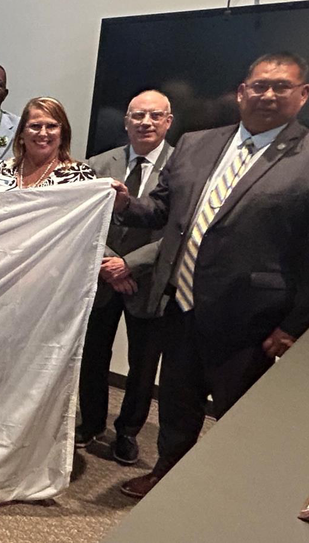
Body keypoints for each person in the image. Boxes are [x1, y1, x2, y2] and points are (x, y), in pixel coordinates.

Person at [112, 53, 309, 498]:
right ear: (241, 92)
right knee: (176, 405)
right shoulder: (195, 143)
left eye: (281, 86)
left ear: (303, 95)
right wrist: (125, 204)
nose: (268, 94)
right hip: (180, 308)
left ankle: (229, 497)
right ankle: (166, 478)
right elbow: (163, 210)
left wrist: (294, 326)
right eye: (260, 85)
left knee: (241, 419)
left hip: (253, 324)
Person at [76, 90, 175, 465]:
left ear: (168, 121)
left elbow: (179, 229)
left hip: (149, 281)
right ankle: (91, 423)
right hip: (102, 277)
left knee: (142, 365)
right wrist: (111, 263)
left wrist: (130, 265)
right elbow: (84, 220)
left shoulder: (184, 167)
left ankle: (128, 432)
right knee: (92, 355)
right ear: (126, 121)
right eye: (138, 115)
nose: (145, 122)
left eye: (155, 115)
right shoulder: (98, 163)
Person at [0, 96, 96, 192]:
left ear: (63, 134)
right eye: (35, 126)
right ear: (21, 133)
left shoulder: (82, 176)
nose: (43, 133)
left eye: (51, 126)